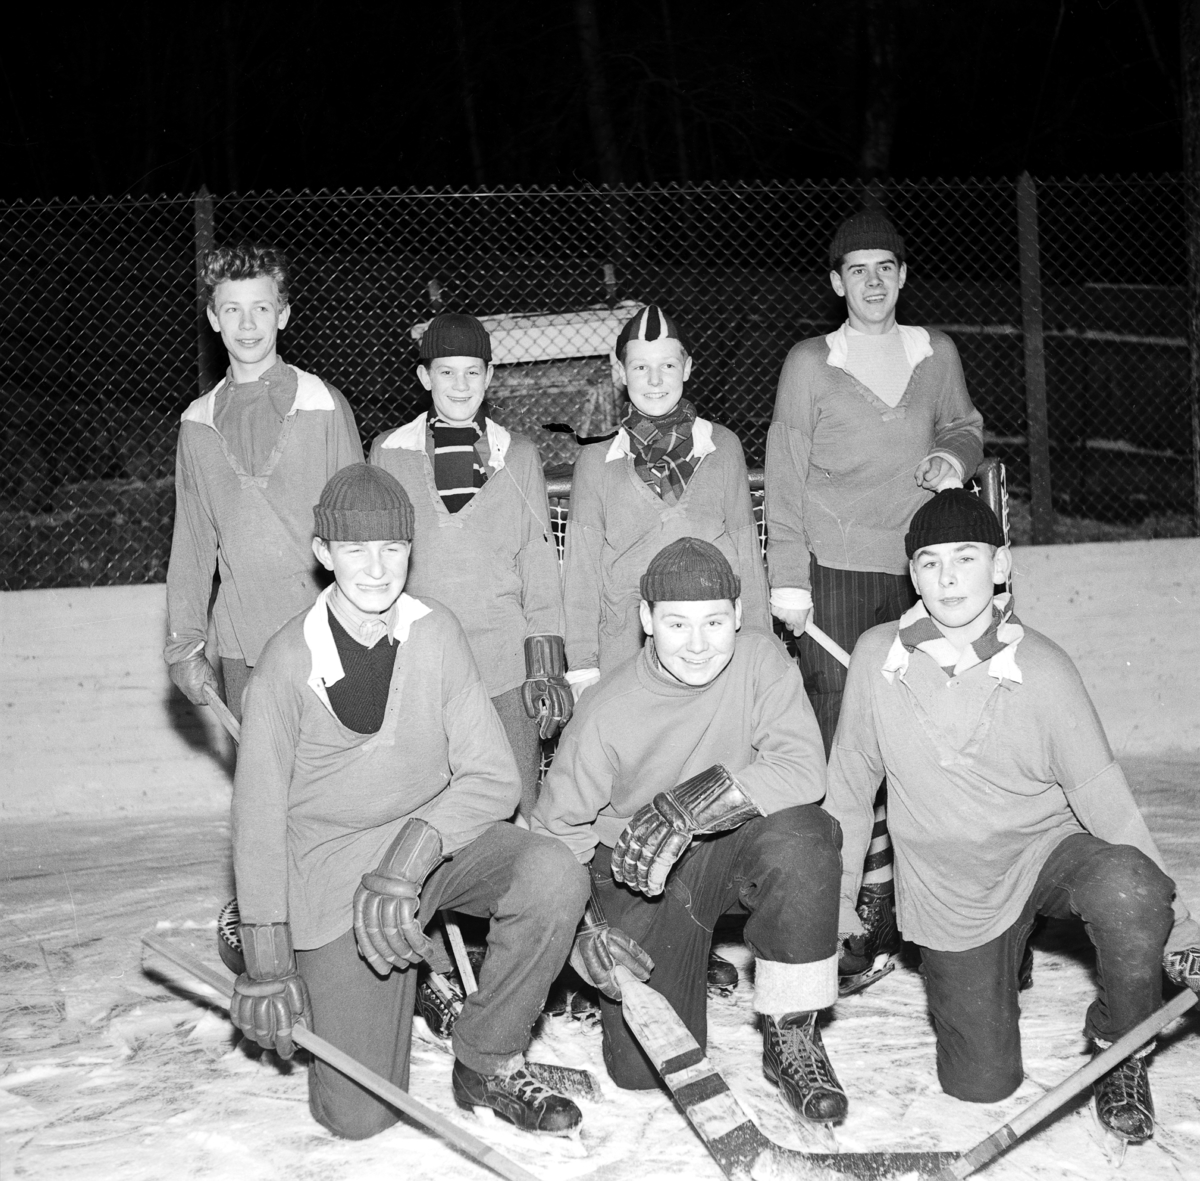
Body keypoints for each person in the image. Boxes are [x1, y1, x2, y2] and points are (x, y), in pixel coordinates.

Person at [822, 489, 1200, 1143]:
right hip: (951, 890)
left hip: (1043, 854)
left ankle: (1120, 1046)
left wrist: (1179, 923)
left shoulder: (1044, 667)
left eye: (965, 558)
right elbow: (850, 788)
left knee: (1130, 890)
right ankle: (1000, 957)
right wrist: (835, 901)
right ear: (913, 575)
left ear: (999, 566)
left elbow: (1104, 796)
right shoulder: (877, 658)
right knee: (981, 1084)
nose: (948, 578)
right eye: (931, 562)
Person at [228, 464, 590, 1139]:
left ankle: (485, 1056)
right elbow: (257, 824)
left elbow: (494, 777)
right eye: (355, 549)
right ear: (323, 553)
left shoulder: (436, 631)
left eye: (392, 548)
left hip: (432, 849)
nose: (376, 568)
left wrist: (414, 849)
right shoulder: (284, 662)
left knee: (553, 873)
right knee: (359, 1116)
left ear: (410, 550)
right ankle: (274, 943)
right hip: (333, 871)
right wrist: (267, 955)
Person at [533, 538, 847, 1127]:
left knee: (805, 836)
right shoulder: (606, 709)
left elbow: (803, 768)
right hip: (639, 873)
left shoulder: (761, 661)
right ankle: (680, 958)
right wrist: (586, 926)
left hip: (732, 845)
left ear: (738, 615)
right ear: (646, 619)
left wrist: (686, 808)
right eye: (677, 624)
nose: (699, 644)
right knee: (644, 1073)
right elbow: (555, 834)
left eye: (715, 622)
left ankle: (792, 1030)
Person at [764, 210, 984, 976]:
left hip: (923, 574)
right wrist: (788, 578)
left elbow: (964, 424)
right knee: (846, 750)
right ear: (836, 282)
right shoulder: (809, 362)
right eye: (857, 270)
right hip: (837, 574)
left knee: (927, 739)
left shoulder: (935, 352)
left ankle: (921, 912)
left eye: (885, 267)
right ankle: (837, 920)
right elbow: (784, 475)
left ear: (903, 275)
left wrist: (953, 459)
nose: (873, 282)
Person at [370, 313, 568, 818]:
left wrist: (546, 665)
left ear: (490, 376)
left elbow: (537, 561)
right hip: (424, 664)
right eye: (446, 372)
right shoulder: (389, 453)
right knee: (433, 809)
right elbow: (373, 565)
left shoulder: (518, 455)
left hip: (505, 662)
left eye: (472, 372)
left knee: (517, 801)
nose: (460, 385)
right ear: (424, 377)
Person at [165, 243, 363, 720]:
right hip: (242, 645)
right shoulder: (197, 424)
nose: (248, 324)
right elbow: (192, 544)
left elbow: (360, 527)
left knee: (333, 767)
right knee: (257, 769)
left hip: (327, 637)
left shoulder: (323, 403)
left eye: (261, 308)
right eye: (232, 309)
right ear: (214, 319)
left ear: (283, 314)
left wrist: (365, 626)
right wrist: (184, 645)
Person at [562, 304, 772, 698]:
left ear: (687, 368)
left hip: (708, 646)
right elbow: (581, 573)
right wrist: (582, 664)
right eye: (640, 367)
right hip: (627, 649)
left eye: (668, 366)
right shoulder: (595, 461)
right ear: (620, 372)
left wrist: (762, 647)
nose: (655, 379)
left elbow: (746, 552)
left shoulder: (722, 446)